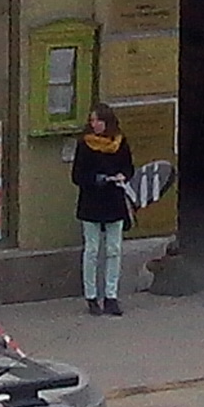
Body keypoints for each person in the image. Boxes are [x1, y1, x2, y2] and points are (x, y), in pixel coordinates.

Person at [72, 105, 138, 316]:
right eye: (92, 120)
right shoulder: (85, 144)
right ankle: (91, 296)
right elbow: (77, 175)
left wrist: (122, 176)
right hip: (91, 200)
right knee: (91, 250)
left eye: (98, 120)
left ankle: (111, 296)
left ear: (107, 122)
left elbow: (129, 168)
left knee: (114, 249)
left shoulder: (119, 142)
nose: (94, 124)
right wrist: (96, 179)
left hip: (114, 200)